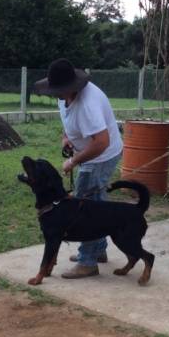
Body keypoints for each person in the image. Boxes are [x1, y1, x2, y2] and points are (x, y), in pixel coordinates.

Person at [34, 58, 123, 279]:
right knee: (96, 202)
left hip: (101, 156)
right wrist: (67, 137)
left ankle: (88, 261)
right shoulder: (64, 96)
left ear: (71, 87)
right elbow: (68, 119)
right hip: (90, 153)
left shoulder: (87, 104)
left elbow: (101, 142)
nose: (56, 95)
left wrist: (73, 161)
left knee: (85, 206)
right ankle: (98, 249)